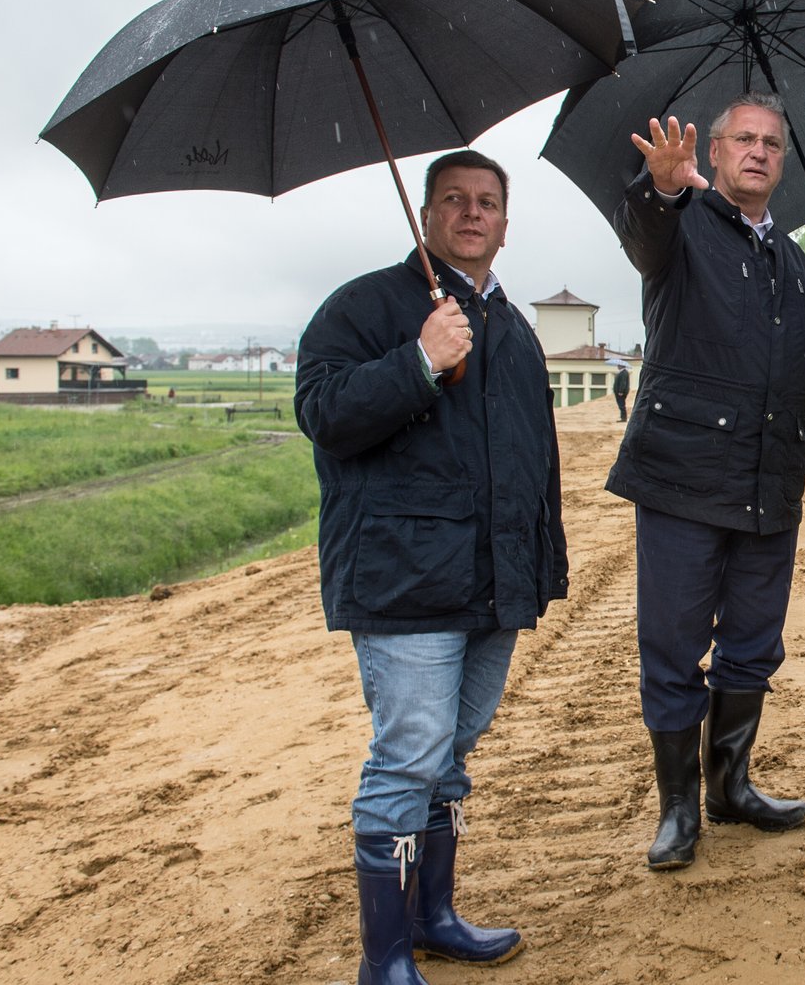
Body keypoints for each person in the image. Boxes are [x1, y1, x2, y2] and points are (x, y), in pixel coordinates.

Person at [296, 149, 568, 983]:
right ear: (425, 214)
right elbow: (322, 413)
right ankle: (383, 960)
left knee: (450, 755)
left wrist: (542, 566)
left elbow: (534, 460)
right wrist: (417, 361)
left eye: (488, 202)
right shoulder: (364, 307)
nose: (473, 213)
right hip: (402, 579)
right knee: (409, 755)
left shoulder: (511, 326)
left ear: (506, 223)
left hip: (493, 581)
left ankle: (434, 916)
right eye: (455, 200)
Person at [607, 91, 805, 870]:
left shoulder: (787, 257)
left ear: (782, 163)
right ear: (713, 153)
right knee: (675, 647)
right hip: (685, 480)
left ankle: (730, 785)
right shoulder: (679, 223)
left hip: (769, 486)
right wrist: (658, 187)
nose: (757, 151)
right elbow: (643, 237)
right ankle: (679, 807)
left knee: (753, 646)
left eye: (771, 143)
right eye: (743, 139)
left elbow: (797, 360)